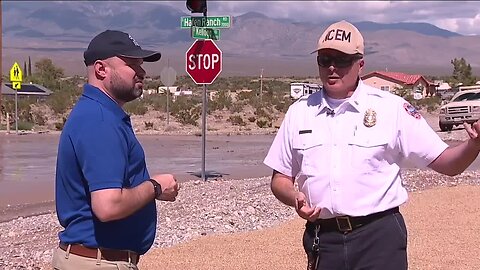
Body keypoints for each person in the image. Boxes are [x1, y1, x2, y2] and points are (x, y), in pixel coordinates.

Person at [264, 20, 480, 270]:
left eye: (342, 60)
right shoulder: (300, 112)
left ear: (360, 64)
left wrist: (473, 145)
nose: (332, 67)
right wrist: (295, 197)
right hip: (323, 239)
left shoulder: (392, 108)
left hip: (379, 238)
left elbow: (447, 164)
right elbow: (280, 178)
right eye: (325, 59)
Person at [52, 30, 180, 270]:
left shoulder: (99, 114)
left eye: (141, 65)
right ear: (101, 69)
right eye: (131, 64)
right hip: (98, 262)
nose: (142, 72)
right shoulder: (99, 121)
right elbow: (108, 206)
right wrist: (155, 187)